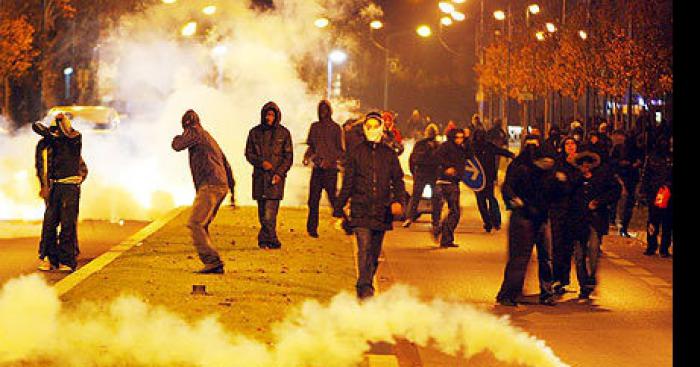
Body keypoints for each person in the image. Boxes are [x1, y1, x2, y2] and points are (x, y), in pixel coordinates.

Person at [333, 112, 406, 299]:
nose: (372, 130)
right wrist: (339, 205)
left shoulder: (388, 154)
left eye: (376, 126)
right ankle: (364, 287)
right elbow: (348, 181)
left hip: (381, 211)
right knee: (364, 248)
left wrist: (399, 201)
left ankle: (366, 282)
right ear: (364, 128)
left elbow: (397, 179)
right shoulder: (356, 152)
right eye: (369, 126)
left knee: (374, 253)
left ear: (381, 128)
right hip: (361, 208)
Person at [496, 135, 558, 307]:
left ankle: (546, 292)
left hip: (541, 218)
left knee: (545, 257)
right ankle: (509, 293)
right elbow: (508, 187)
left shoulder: (546, 171)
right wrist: (514, 200)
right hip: (523, 218)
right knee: (520, 258)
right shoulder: (519, 167)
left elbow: (554, 193)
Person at [172, 110, 235, 274]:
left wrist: (179, 136)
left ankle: (213, 261)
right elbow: (225, 162)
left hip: (210, 184)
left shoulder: (195, 132)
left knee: (195, 223)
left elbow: (177, 145)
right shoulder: (207, 136)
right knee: (203, 224)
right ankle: (213, 262)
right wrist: (232, 189)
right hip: (221, 185)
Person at [32, 114, 87, 272]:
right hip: (55, 187)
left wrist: (79, 179)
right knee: (49, 224)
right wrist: (44, 186)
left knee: (67, 224)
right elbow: (40, 166)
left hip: (69, 188)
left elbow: (82, 167)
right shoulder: (47, 144)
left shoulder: (74, 140)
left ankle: (67, 260)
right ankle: (51, 258)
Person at [568, 151, 621, 299]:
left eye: (588, 162)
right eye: (582, 162)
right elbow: (565, 195)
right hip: (578, 221)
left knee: (593, 250)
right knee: (579, 256)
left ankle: (591, 278)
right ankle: (583, 285)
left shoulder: (603, 176)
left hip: (595, 221)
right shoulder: (574, 178)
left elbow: (615, 191)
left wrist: (599, 202)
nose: (585, 165)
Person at [245, 102, 293, 249]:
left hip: (275, 179)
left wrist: (279, 173)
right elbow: (248, 153)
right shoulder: (254, 133)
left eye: (271, 115)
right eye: (267, 114)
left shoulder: (284, 133)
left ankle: (266, 240)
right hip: (260, 178)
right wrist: (261, 163)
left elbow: (288, 157)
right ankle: (270, 241)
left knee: (270, 214)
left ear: (276, 116)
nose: (269, 117)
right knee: (262, 213)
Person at [303, 100, 344, 238]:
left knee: (333, 199)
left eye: (325, 109)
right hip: (318, 168)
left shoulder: (336, 128)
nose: (323, 112)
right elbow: (312, 146)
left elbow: (340, 150)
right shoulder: (315, 127)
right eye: (321, 109)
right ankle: (311, 229)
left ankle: (347, 223)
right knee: (313, 200)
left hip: (331, 169)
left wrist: (331, 160)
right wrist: (307, 156)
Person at [550, 137, 580, 295]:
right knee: (557, 244)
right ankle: (556, 278)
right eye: (567, 144)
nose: (570, 146)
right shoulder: (558, 163)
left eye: (573, 144)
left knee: (568, 246)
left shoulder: (581, 163)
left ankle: (564, 279)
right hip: (558, 209)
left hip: (574, 210)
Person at [471, 129, 515, 232]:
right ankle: (494, 222)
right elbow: (500, 151)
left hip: (480, 179)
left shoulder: (474, 147)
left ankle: (489, 222)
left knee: (483, 201)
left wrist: (510, 155)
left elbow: (500, 151)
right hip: (485, 178)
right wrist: (511, 155)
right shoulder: (486, 146)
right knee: (490, 199)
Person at [433, 127, 469, 247]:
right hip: (446, 182)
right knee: (455, 211)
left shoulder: (461, 148)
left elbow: (471, 154)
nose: (459, 140)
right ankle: (444, 236)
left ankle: (443, 234)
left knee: (455, 211)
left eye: (461, 137)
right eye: (457, 137)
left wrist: (467, 139)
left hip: (454, 181)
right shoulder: (446, 146)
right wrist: (447, 167)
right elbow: (437, 156)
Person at [403, 123, 441, 228]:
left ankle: (411, 218)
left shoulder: (432, 145)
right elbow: (414, 159)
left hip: (426, 173)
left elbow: (412, 159)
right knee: (420, 197)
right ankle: (434, 220)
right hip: (426, 173)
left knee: (427, 197)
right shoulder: (427, 145)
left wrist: (414, 172)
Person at [642, 136, 673, 257]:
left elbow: (646, 176)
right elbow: (646, 176)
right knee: (657, 221)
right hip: (656, 193)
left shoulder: (663, 158)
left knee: (665, 222)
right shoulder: (653, 158)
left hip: (666, 194)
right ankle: (655, 246)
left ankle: (660, 247)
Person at [609, 129, 642, 237]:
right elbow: (612, 162)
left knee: (627, 203)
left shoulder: (632, 149)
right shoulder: (617, 149)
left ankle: (622, 225)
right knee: (621, 202)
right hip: (621, 177)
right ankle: (618, 222)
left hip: (629, 177)